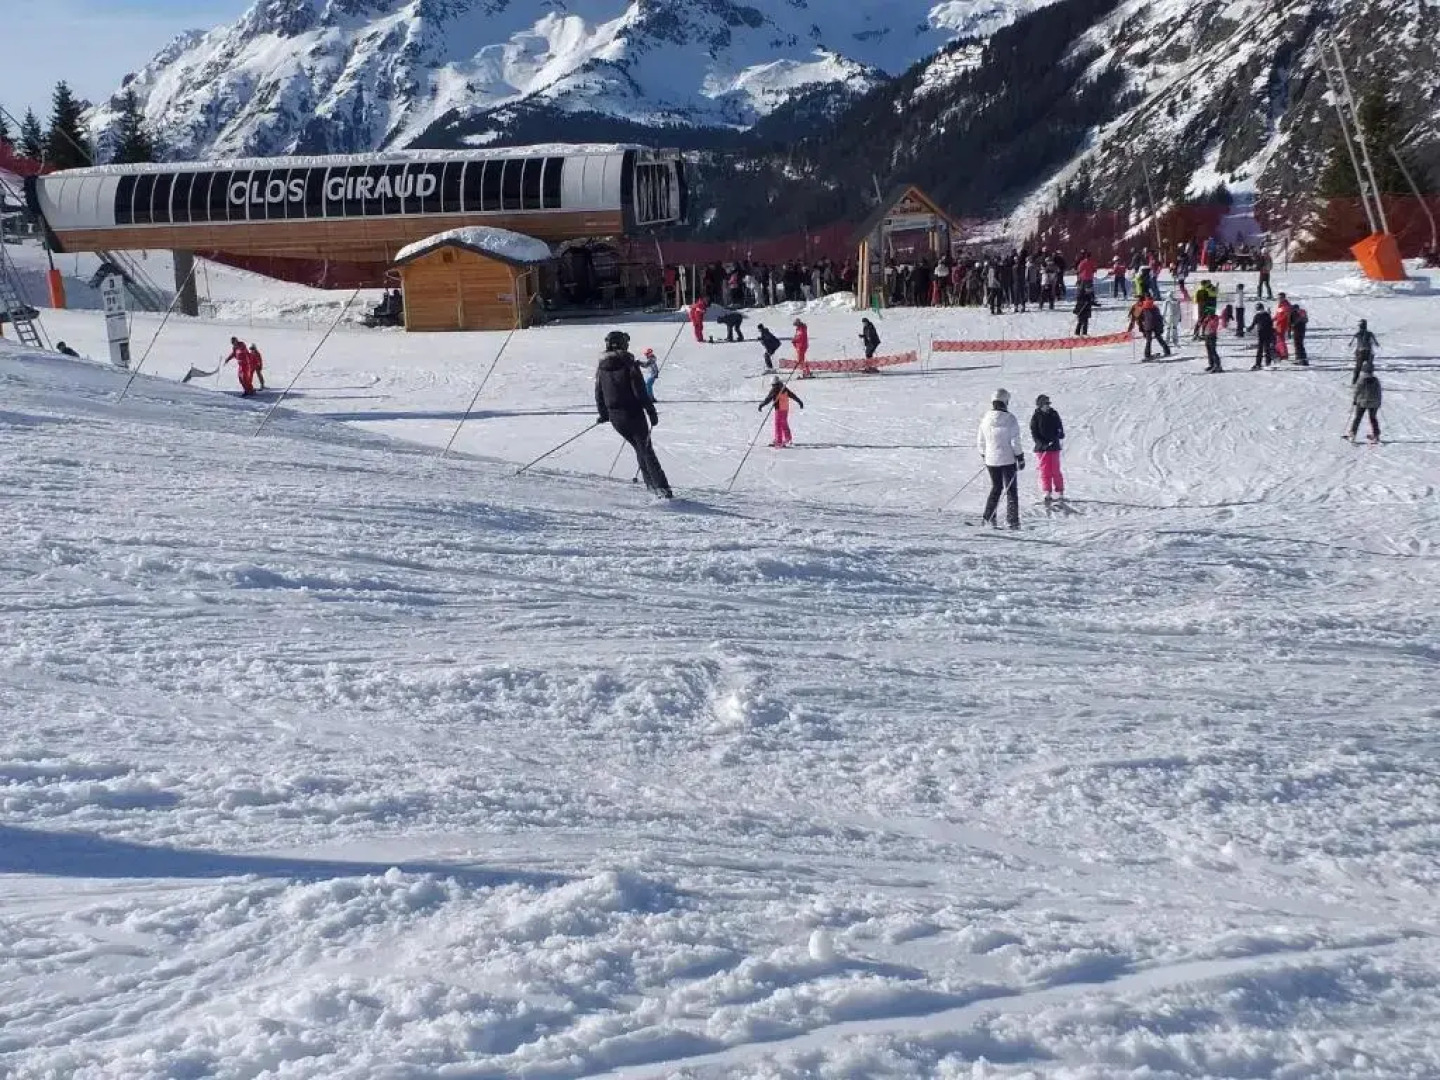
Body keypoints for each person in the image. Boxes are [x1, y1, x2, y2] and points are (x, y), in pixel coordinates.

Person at [594, 330, 672, 498]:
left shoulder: (602, 367)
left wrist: (604, 414)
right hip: (633, 414)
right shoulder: (629, 364)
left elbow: (599, 393)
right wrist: (651, 412)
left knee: (640, 448)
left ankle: (652, 486)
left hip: (616, 418)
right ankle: (662, 489)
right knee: (646, 449)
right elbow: (640, 391)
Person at [976, 388, 1024, 528]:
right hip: (1008, 459)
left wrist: (984, 454)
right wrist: (1020, 457)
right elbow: (1015, 441)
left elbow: (980, 441)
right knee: (1011, 490)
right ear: (1006, 401)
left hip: (991, 460)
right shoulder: (1010, 419)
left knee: (996, 487)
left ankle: (988, 517)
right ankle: (1012, 520)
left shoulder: (985, 419)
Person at [1029, 393, 1066, 506]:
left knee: (1055, 470)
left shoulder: (1054, 414)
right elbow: (1034, 433)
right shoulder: (1036, 416)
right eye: (1046, 404)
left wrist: (1060, 433)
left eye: (1048, 403)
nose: (1048, 405)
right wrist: (1042, 444)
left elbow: (1059, 427)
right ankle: (1047, 492)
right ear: (1040, 405)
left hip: (1054, 447)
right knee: (1045, 471)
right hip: (1042, 449)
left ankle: (1060, 491)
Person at [1344, 359, 1382, 443]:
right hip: (1374, 403)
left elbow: (1357, 390)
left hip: (1362, 402)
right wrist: (1379, 402)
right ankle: (1376, 435)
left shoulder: (1361, 379)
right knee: (1373, 418)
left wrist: (1354, 400)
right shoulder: (1376, 379)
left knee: (1357, 418)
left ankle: (1352, 434)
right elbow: (1379, 392)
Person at [759, 377, 804, 447]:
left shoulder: (774, 389)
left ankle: (778, 440)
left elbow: (768, 399)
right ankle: (788, 438)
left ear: (773, 383)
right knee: (784, 423)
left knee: (778, 424)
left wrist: (761, 405)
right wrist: (799, 401)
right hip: (785, 409)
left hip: (779, 409)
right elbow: (792, 395)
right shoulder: (784, 388)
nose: (772, 386)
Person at [1250, 304, 1276, 369]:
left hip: (1261, 333)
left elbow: (1253, 324)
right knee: (1267, 348)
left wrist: (1248, 329)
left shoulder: (1257, 315)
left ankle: (1258, 363)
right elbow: (1271, 324)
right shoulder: (1267, 315)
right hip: (1268, 333)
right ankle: (1268, 363)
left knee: (1260, 349)